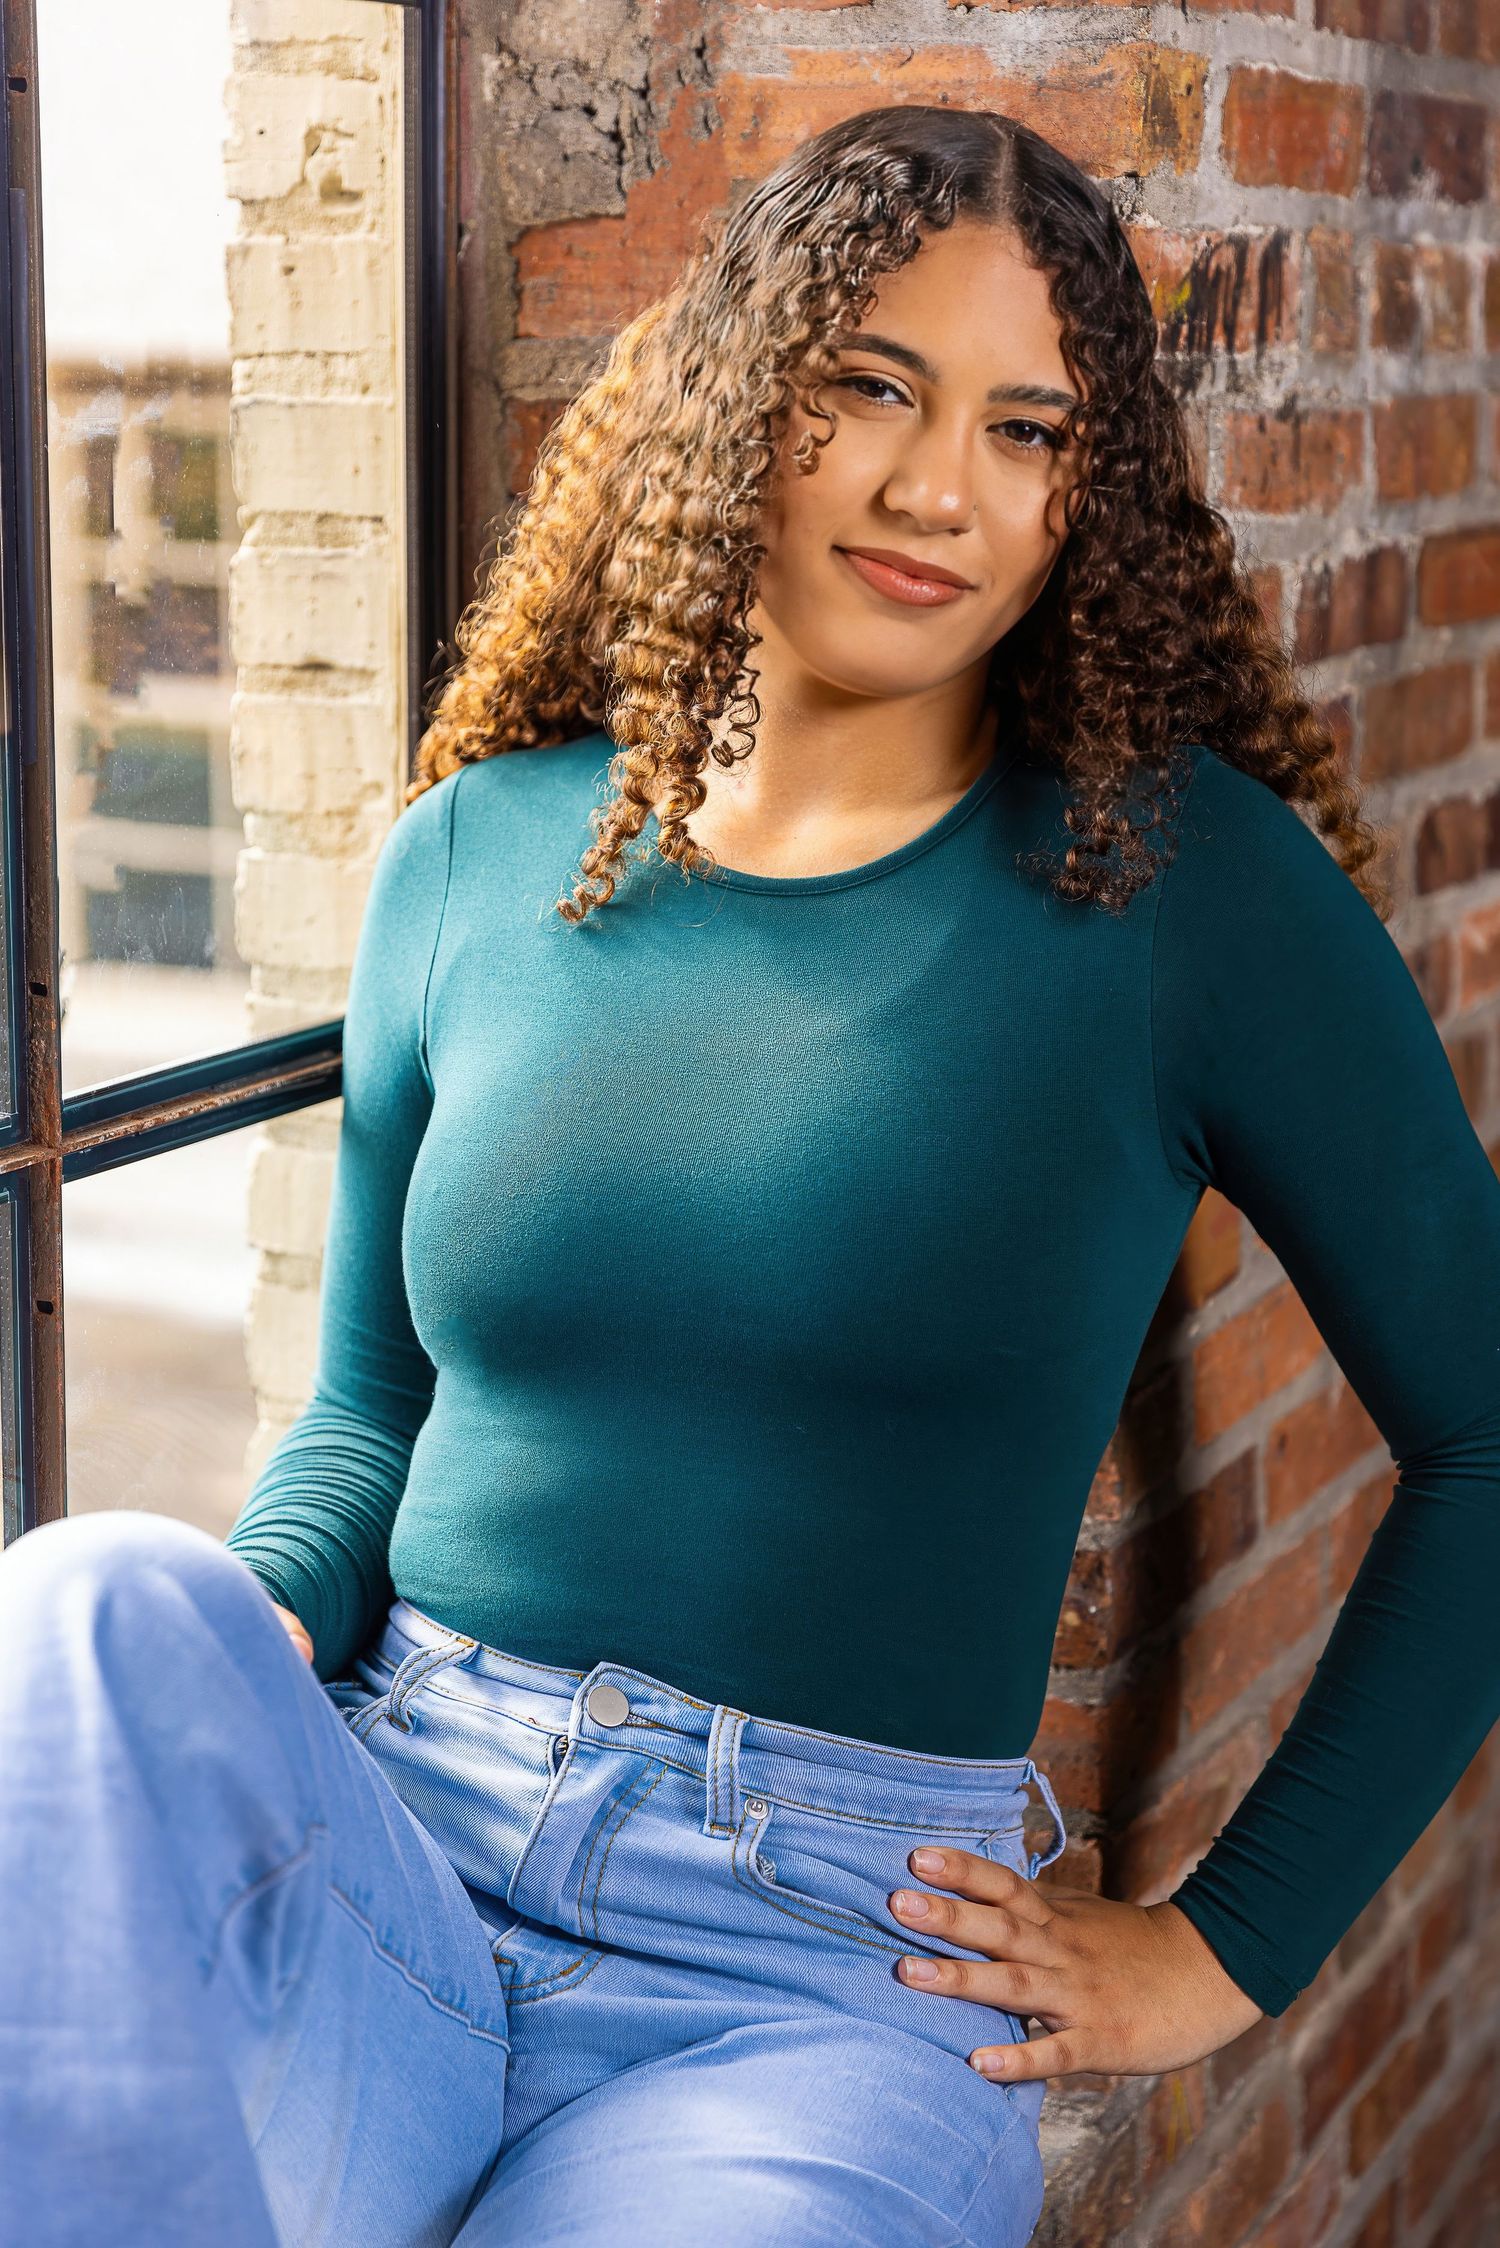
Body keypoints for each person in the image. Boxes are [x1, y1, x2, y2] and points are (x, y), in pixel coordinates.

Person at [3, 102, 1497, 2248]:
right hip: (397, 1853)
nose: (937, 490)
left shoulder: (1184, 896)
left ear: (1088, 493)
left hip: (814, 1989)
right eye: (871, 388)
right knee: (76, 1612)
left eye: (1024, 430)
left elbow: (1486, 1424)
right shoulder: (476, 854)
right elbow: (370, 1415)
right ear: (735, 397)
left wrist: (1220, 1946)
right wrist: (231, 1666)